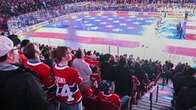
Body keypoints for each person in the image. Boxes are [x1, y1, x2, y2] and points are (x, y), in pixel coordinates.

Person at [0, 36, 48, 110]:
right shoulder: (26, 78)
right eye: (16, 49)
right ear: (10, 55)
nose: (19, 52)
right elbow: (41, 104)